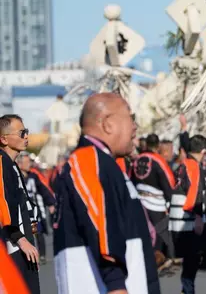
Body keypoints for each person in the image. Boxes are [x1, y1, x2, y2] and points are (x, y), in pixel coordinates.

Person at [53, 93, 160, 294]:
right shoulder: (87, 159)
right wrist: (116, 283)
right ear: (108, 123)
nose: (135, 127)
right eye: (131, 118)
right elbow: (99, 221)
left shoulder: (105, 162)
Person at [0, 115, 40, 294]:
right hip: (13, 246)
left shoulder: (13, 165)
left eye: (27, 132)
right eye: (22, 132)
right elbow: (3, 204)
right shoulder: (1, 163)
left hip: (23, 243)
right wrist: (20, 238)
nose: (26, 137)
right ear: (3, 139)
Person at [132, 133, 176, 271]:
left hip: (139, 202)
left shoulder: (136, 160)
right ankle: (160, 259)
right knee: (160, 233)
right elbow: (169, 181)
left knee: (143, 232)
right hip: (156, 204)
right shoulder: (158, 161)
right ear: (157, 146)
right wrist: (170, 200)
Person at [169, 134, 206, 294]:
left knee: (188, 257)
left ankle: (187, 289)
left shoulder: (181, 164)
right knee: (192, 258)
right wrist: (198, 216)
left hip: (176, 217)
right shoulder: (194, 166)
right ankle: (188, 290)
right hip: (187, 218)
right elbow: (194, 193)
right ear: (204, 151)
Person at [19, 154, 55, 264]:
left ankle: (42, 255)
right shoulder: (16, 177)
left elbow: (43, 190)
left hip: (33, 212)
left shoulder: (33, 177)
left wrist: (50, 203)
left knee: (38, 233)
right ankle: (30, 255)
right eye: (26, 162)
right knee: (25, 235)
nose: (29, 164)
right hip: (22, 213)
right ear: (20, 164)